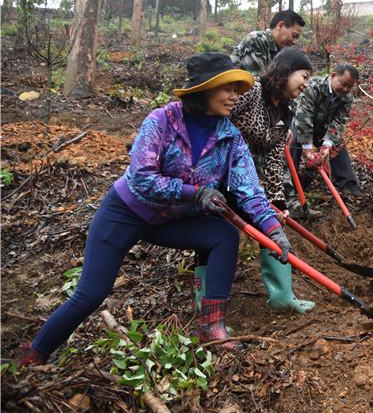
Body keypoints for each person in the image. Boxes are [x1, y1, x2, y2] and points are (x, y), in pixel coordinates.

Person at [20, 53, 296, 365]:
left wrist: (272, 229)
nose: (235, 96)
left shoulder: (229, 136)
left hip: (170, 220)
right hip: (126, 213)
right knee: (91, 294)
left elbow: (249, 189)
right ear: (204, 89)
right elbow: (142, 179)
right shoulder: (161, 121)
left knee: (223, 235)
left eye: (237, 89)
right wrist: (195, 193)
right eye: (227, 88)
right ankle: (35, 355)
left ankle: (213, 328)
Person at [230, 48, 316, 314]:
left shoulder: (286, 112)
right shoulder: (252, 90)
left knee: (272, 222)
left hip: (248, 182)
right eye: (303, 76)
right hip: (217, 173)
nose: (305, 84)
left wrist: (277, 200)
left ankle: (282, 296)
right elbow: (219, 116)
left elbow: (274, 159)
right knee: (219, 233)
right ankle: (206, 303)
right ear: (286, 70)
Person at [292, 63, 363, 197]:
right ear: (333, 76)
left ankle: (348, 184)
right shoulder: (313, 87)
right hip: (298, 123)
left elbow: (340, 121)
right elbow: (303, 117)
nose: (345, 89)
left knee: (338, 144)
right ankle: (290, 185)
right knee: (294, 139)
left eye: (350, 87)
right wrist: (307, 148)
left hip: (322, 126)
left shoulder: (347, 97)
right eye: (343, 84)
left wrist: (327, 145)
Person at [231, 9, 306, 75]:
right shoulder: (256, 39)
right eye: (294, 35)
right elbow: (258, 81)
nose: (294, 42)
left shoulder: (279, 51)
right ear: (280, 25)